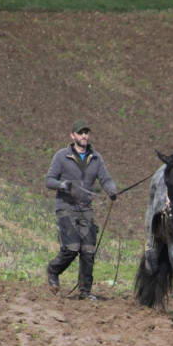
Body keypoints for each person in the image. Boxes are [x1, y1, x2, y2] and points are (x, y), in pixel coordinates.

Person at [44, 120, 119, 299]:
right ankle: (53, 270)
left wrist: (112, 190)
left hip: (86, 208)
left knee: (88, 250)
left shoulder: (96, 157)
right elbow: (49, 180)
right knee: (71, 248)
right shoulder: (61, 156)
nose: (84, 135)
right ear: (73, 136)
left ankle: (85, 291)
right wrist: (61, 184)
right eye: (80, 132)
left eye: (86, 132)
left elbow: (105, 179)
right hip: (66, 207)